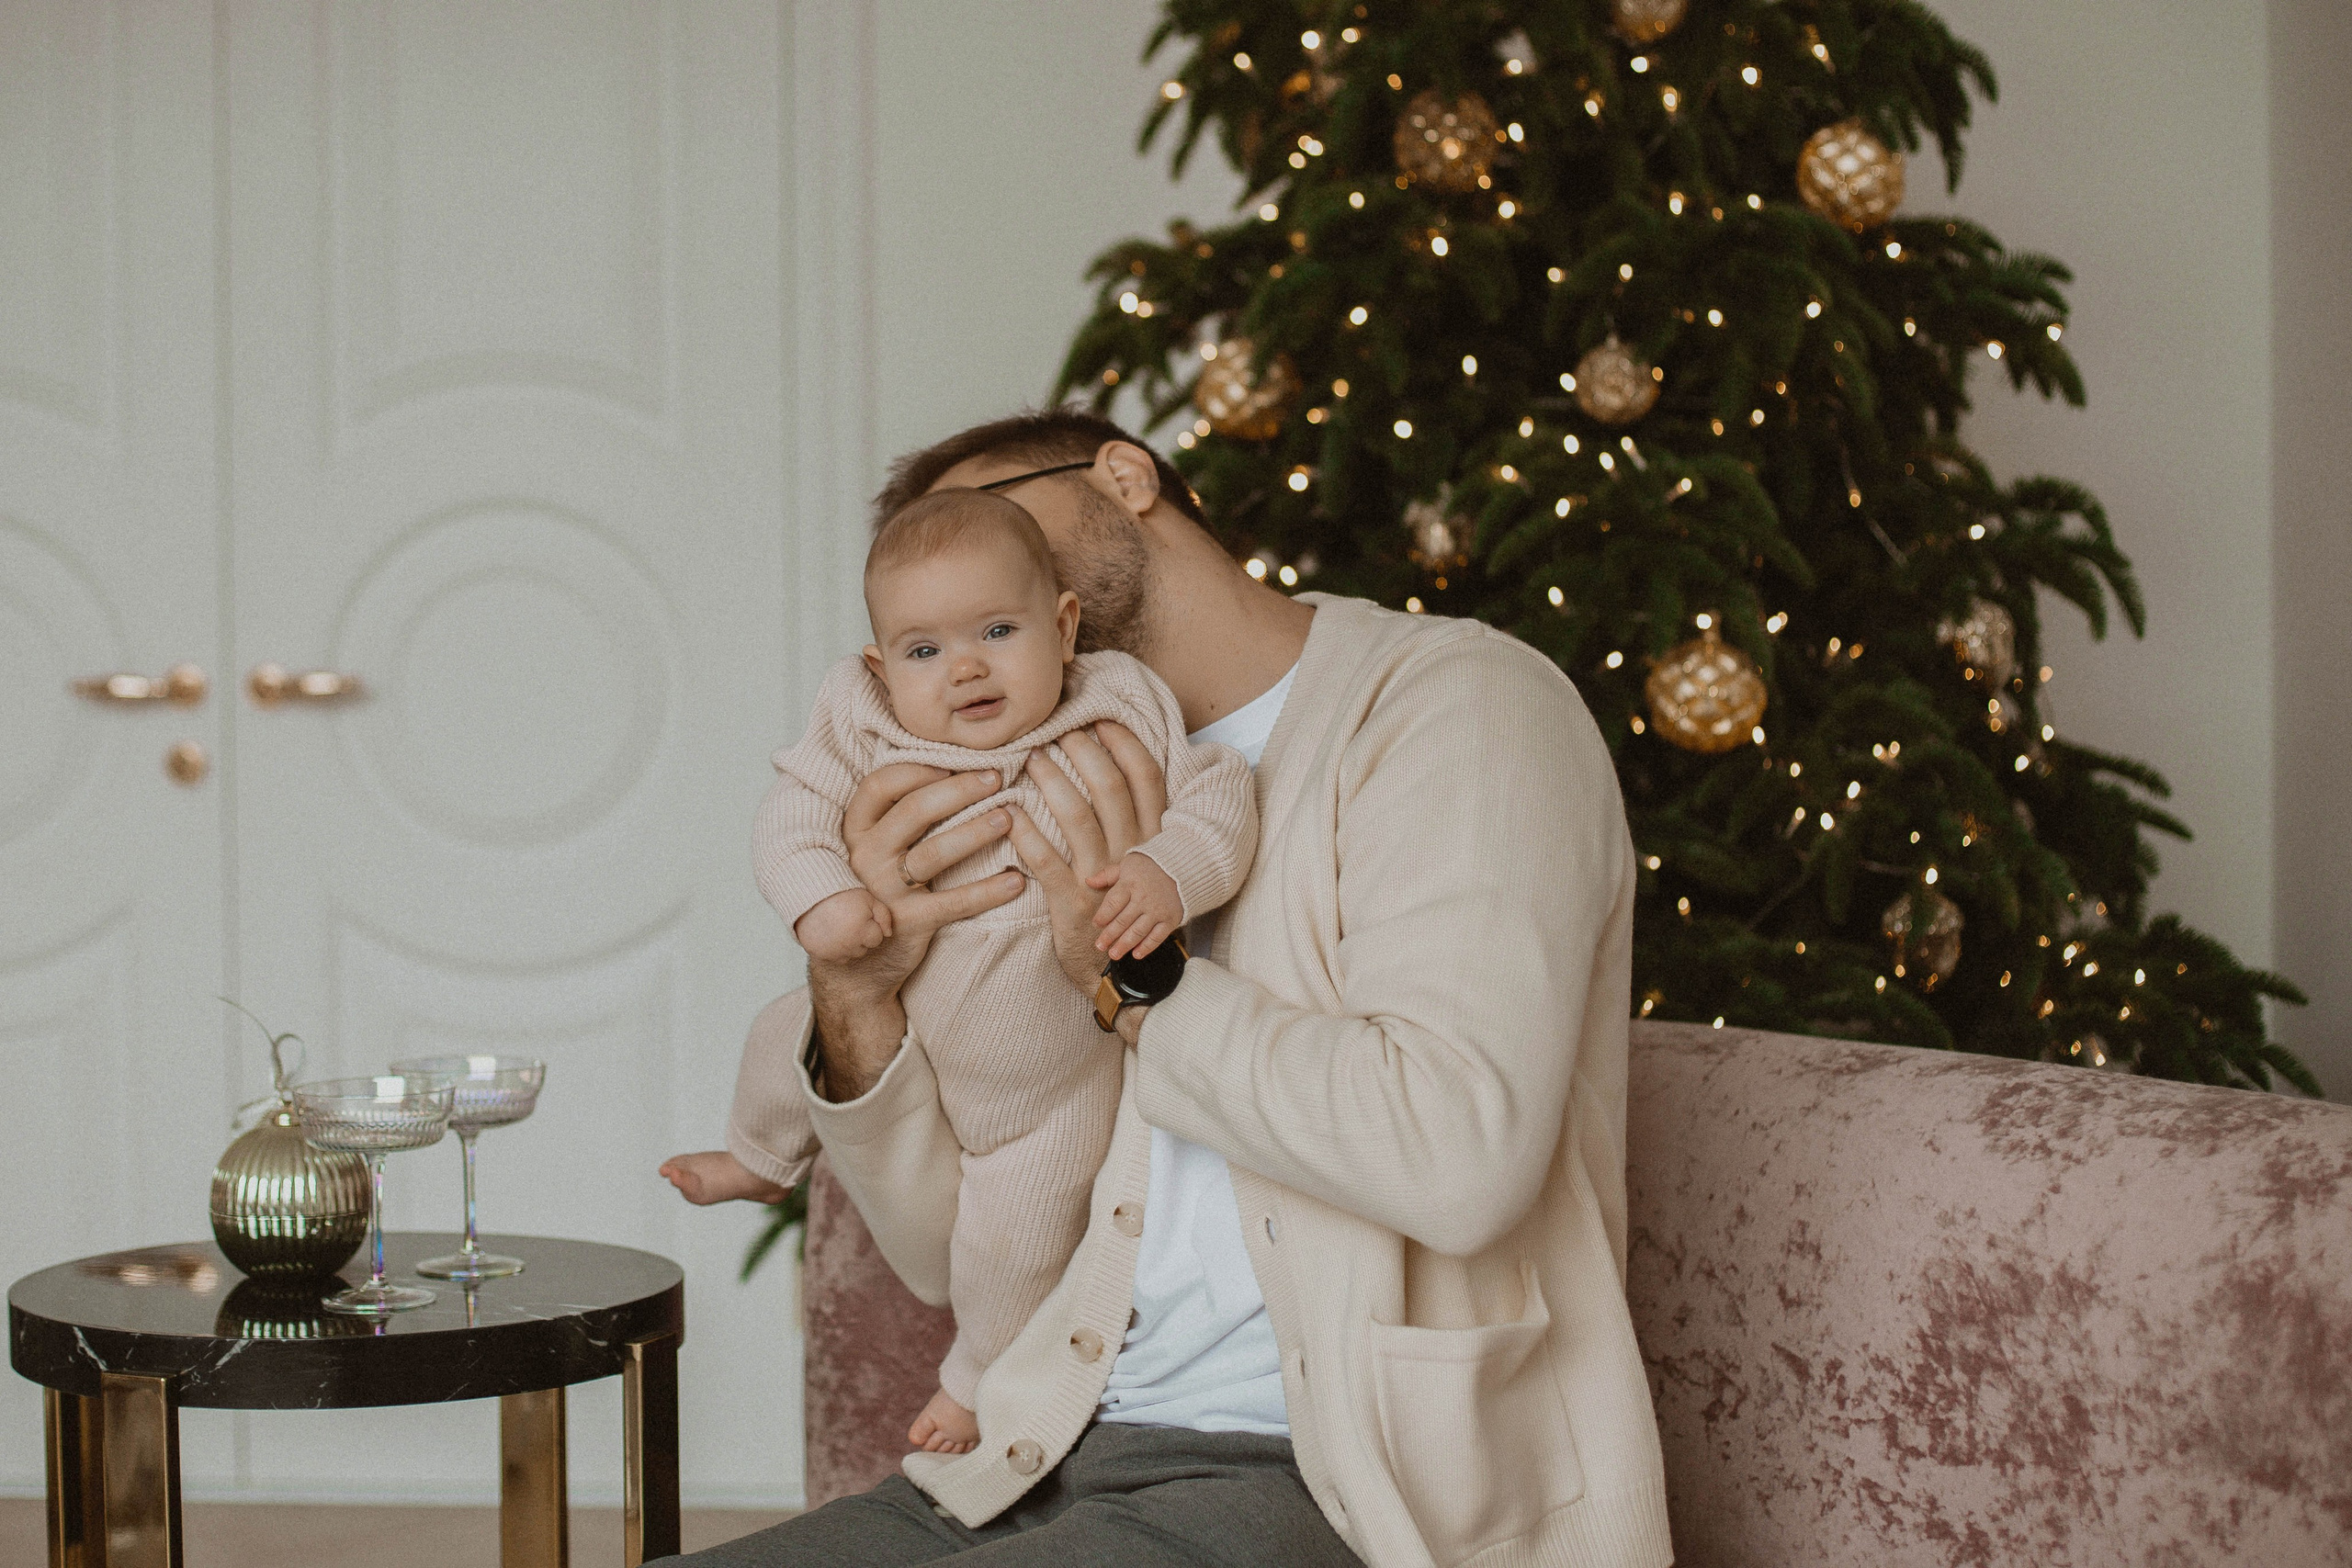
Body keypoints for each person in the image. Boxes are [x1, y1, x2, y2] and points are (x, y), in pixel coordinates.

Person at [659, 409, 1671, 1568]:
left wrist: (1132, 980)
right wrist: (861, 991)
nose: (972, 613)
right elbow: (952, 1251)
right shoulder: (1041, 779)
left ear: (1125, 479)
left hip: (1342, 1480)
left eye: (1006, 534)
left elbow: (1460, 1159)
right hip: (1043, 1445)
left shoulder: (1455, 704)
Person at [662, 488, 1256, 1454]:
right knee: (786, 1031)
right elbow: (794, 815)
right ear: (879, 665)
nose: (966, 667)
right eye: (924, 650)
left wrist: (1165, 870)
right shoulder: (861, 723)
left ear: (1064, 628)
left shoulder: (1119, 703)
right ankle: (760, 1157)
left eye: (997, 629)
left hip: (1050, 1072)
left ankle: (976, 1379)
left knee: (1015, 1239)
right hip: (906, 1009)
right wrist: (822, 900)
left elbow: (1218, 797)